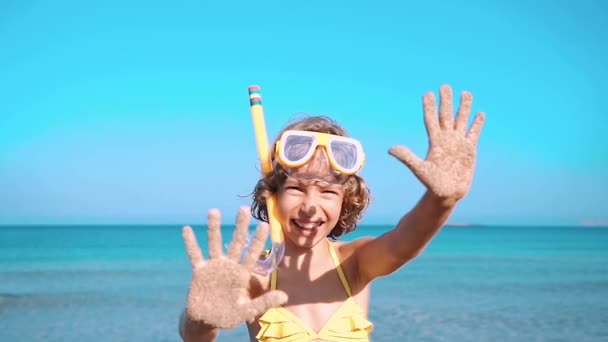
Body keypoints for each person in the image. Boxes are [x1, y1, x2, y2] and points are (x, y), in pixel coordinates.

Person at [178, 84, 486, 342]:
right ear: (272, 195)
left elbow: (406, 241)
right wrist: (200, 319)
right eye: (296, 189)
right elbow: (196, 335)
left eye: (328, 192)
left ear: (345, 202)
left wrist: (441, 201)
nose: (311, 206)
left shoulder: (354, 264)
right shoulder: (256, 277)